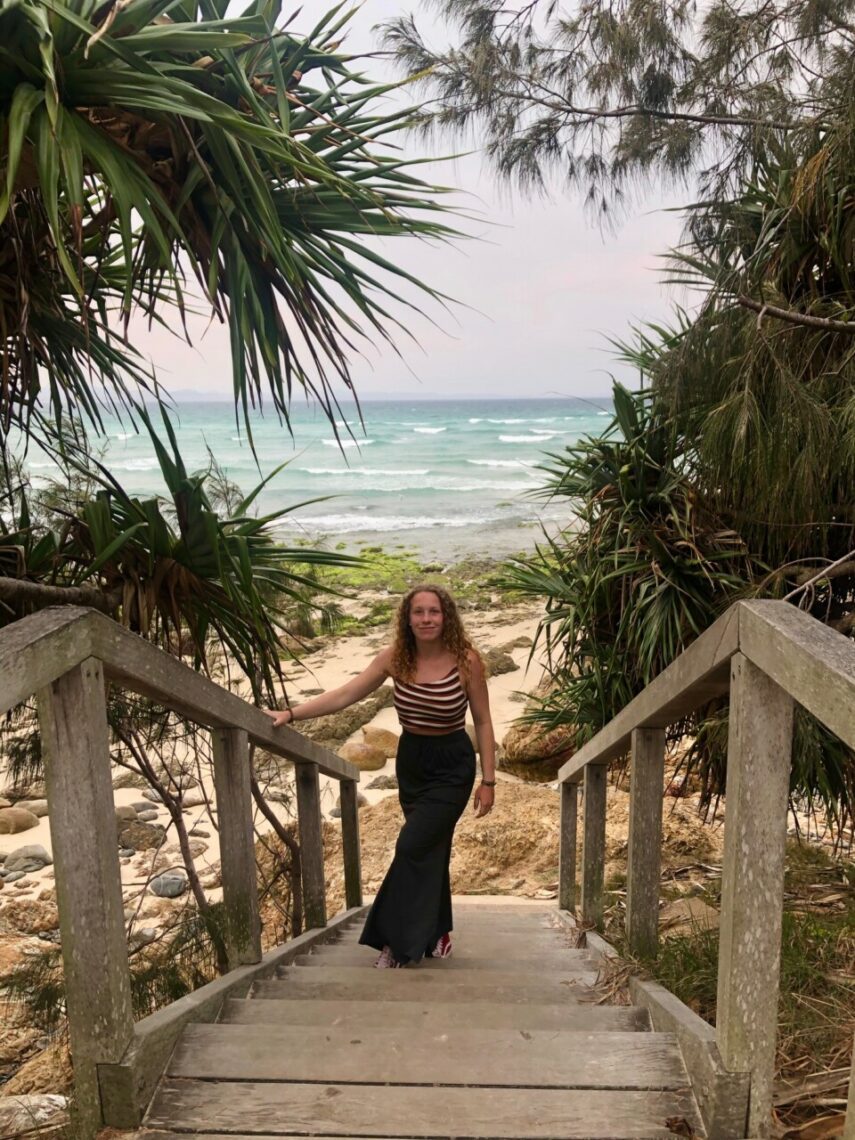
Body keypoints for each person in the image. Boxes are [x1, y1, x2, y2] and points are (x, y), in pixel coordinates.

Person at [265, 583, 496, 967]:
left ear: (446, 617)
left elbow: (483, 722)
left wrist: (488, 781)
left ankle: (395, 942)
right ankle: (437, 932)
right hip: (413, 763)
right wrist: (291, 714)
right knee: (430, 848)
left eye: (434, 611)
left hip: (452, 765)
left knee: (410, 846)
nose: (426, 619)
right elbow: (346, 695)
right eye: (419, 612)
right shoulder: (395, 659)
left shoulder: (466, 661)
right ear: (407, 618)